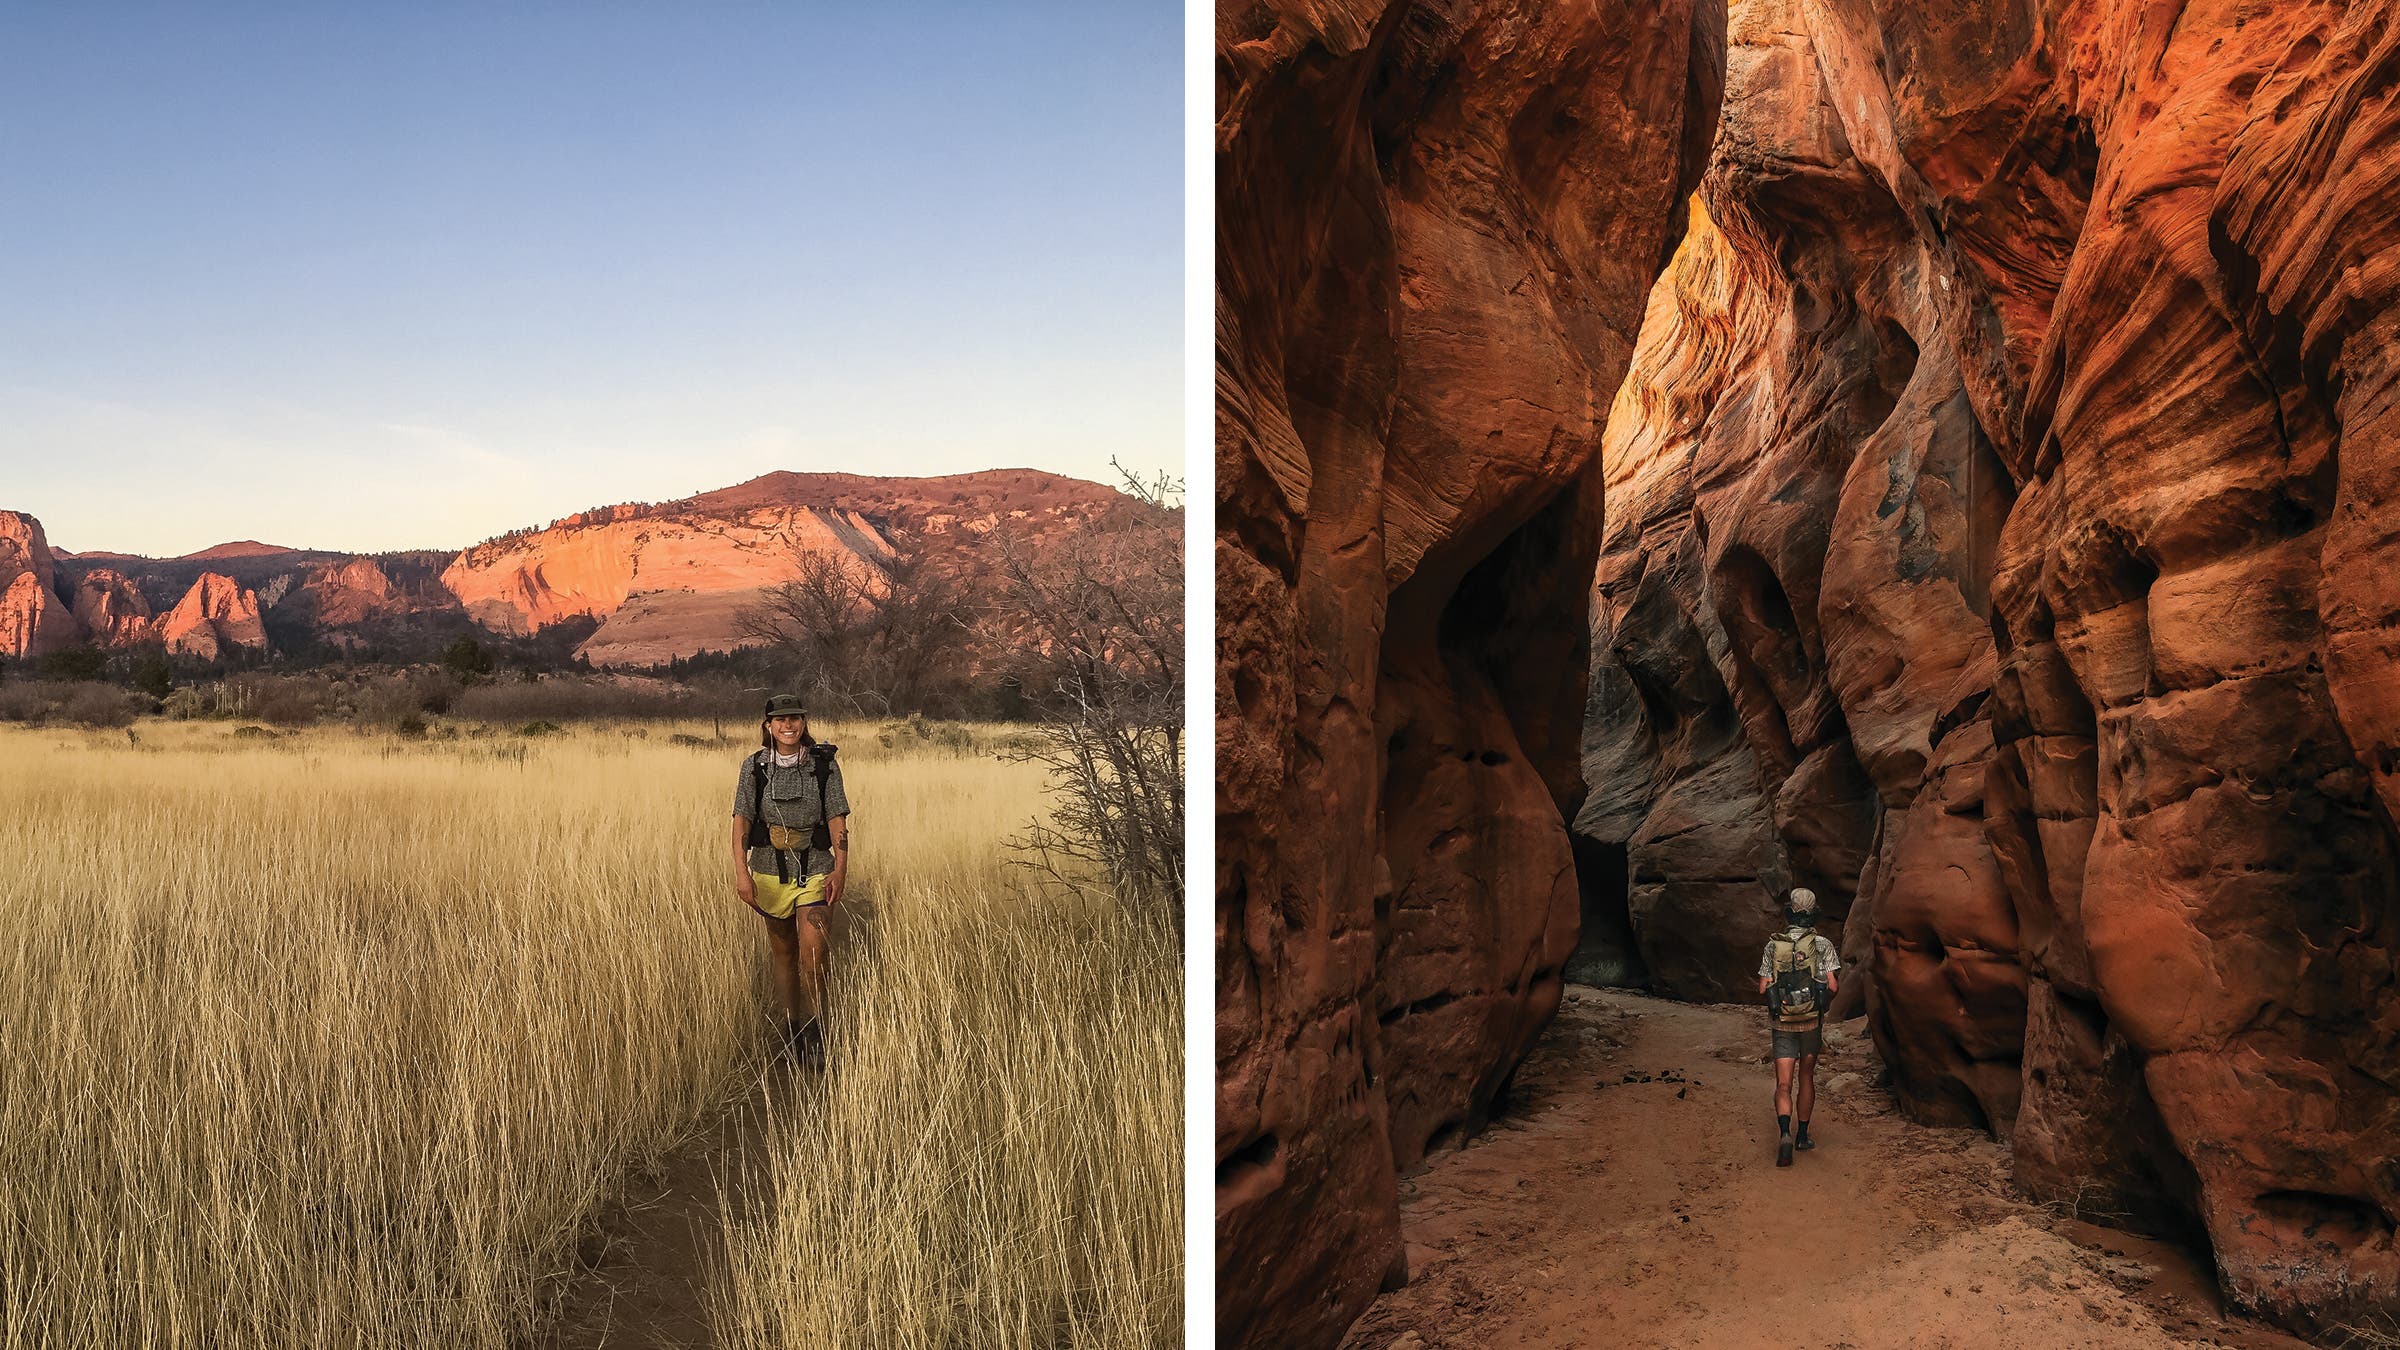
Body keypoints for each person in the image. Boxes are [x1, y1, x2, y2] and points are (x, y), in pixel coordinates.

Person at [730, 692, 851, 1066]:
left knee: (814, 952)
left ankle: (817, 1030)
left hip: (814, 867)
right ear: (768, 726)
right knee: (783, 951)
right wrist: (742, 873)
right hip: (767, 870)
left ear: (804, 722)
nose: (788, 725)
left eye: (795, 718)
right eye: (780, 720)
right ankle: (791, 1028)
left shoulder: (824, 766)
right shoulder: (754, 767)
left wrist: (840, 868)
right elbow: (741, 822)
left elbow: (837, 820)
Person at [1756, 886, 1838, 1167]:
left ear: (1789, 912)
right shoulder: (1822, 944)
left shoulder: (1772, 945)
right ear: (1814, 913)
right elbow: (1833, 986)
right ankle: (1803, 1136)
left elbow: (1763, 987)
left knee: (1783, 1083)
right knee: (1806, 1078)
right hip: (1811, 1022)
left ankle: (1784, 1133)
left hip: (1783, 1023)